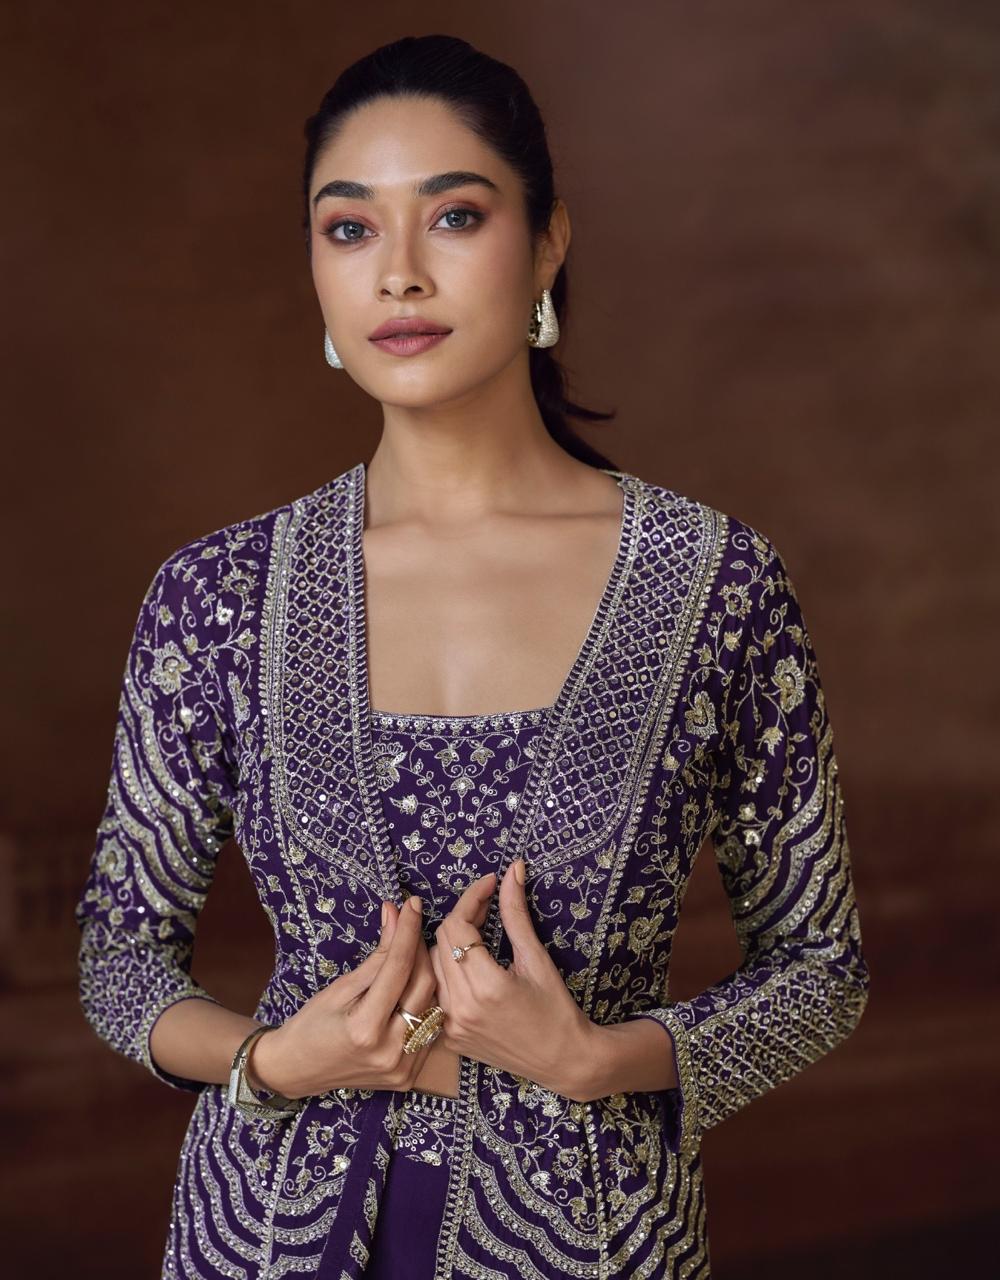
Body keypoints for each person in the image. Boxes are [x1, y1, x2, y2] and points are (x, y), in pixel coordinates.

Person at [73, 33, 870, 1280]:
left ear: (548, 238)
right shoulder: (218, 594)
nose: (397, 273)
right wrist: (274, 1059)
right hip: (260, 1235)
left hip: (592, 1240)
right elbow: (120, 959)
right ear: (315, 270)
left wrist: (598, 1060)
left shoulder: (712, 583)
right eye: (348, 230)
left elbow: (819, 972)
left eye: (452, 215)